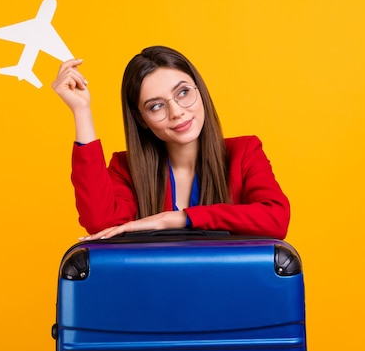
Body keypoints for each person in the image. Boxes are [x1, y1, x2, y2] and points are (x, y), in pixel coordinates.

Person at [52, 45, 290, 240]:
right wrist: (81, 111)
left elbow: (276, 219)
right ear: (141, 119)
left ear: (200, 90)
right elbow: (99, 222)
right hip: (154, 296)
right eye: (156, 106)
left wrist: (175, 219)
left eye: (184, 92)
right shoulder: (126, 168)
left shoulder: (244, 152)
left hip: (230, 294)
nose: (176, 112)